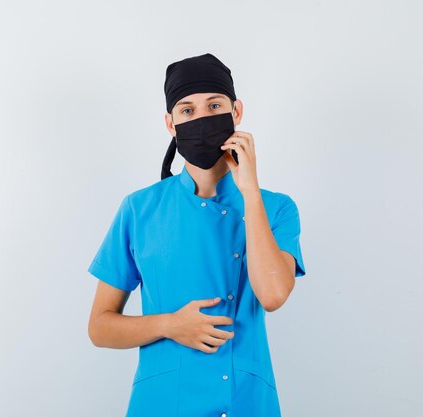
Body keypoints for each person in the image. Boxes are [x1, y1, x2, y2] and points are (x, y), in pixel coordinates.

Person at [87, 53, 307, 417]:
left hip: (245, 401)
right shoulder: (139, 209)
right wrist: (170, 324)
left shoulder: (277, 209)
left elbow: (272, 295)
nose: (201, 118)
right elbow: (99, 326)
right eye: (187, 111)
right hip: (161, 405)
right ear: (170, 124)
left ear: (236, 112)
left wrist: (250, 192)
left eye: (214, 105)